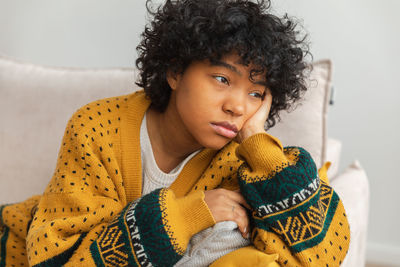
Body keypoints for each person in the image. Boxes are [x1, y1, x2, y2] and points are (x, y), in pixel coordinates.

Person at [0, 0, 350, 266]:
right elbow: (59, 258)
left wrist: (258, 141)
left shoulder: (243, 160)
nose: (238, 107)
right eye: (222, 79)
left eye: (255, 93)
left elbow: (321, 255)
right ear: (175, 72)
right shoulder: (96, 127)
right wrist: (188, 215)